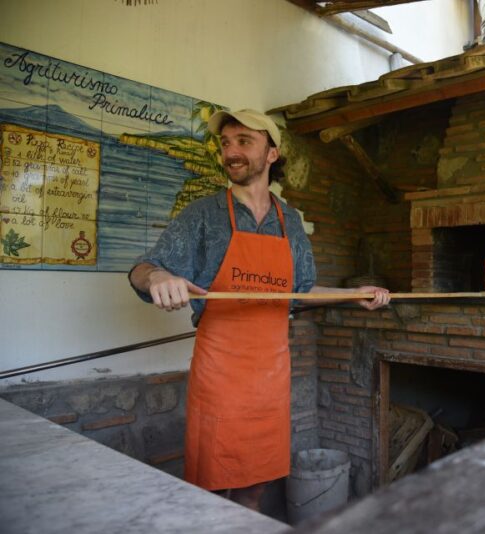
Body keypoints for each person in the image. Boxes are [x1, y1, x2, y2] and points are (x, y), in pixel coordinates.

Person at [129, 109, 390, 511]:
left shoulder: (290, 221)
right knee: (210, 490)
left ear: (272, 154)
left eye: (244, 141)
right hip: (220, 375)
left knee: (255, 486)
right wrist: (158, 278)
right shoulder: (202, 215)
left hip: (271, 375)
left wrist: (351, 294)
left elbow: (299, 291)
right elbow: (142, 269)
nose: (231, 152)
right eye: (225, 144)